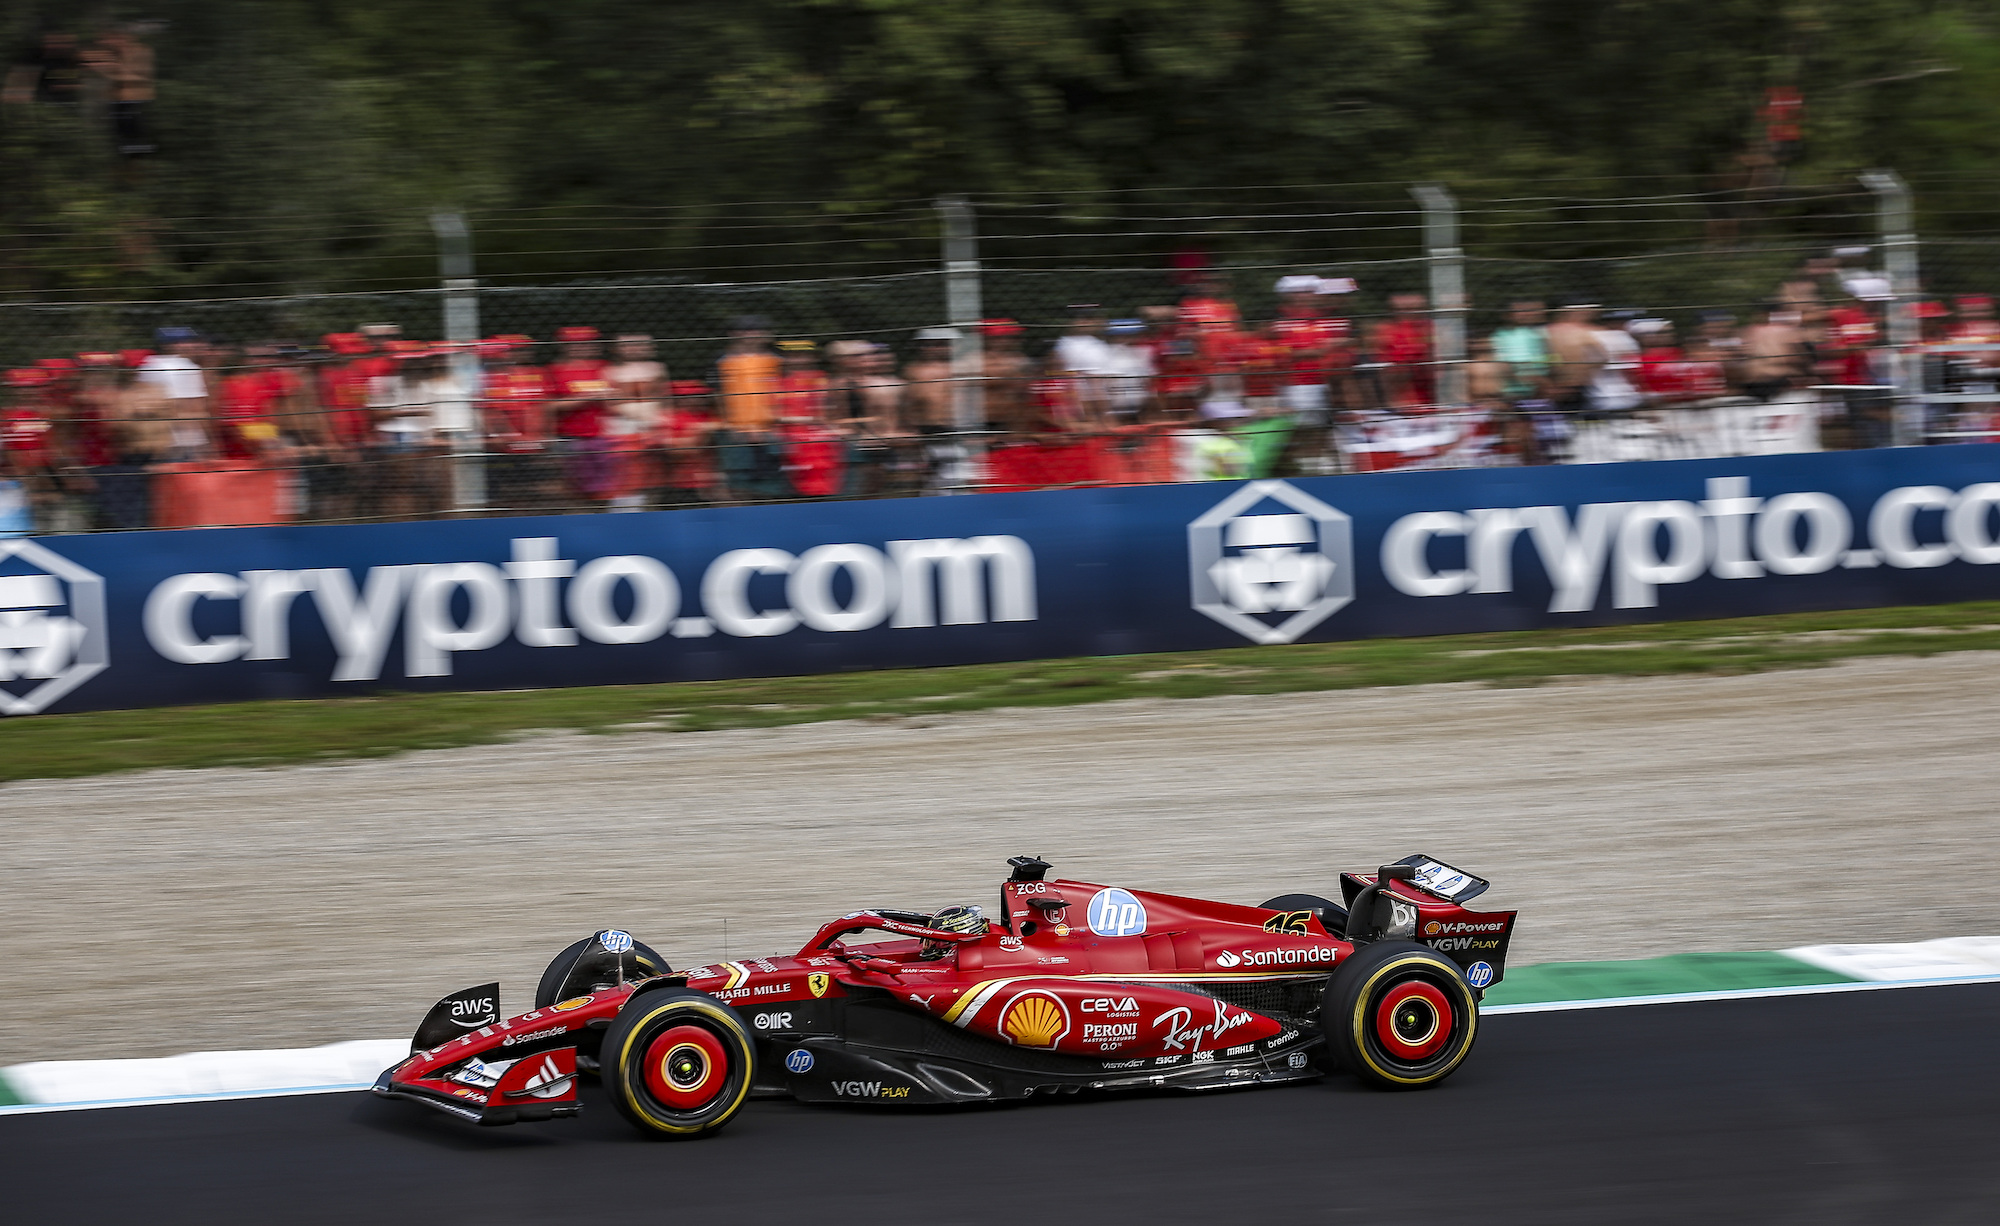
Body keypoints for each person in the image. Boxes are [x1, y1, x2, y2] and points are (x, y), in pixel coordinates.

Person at [137, 327, 213, 461]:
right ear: (171, 345)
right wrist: (209, 443)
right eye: (187, 342)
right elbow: (192, 407)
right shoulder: (186, 366)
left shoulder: (148, 364)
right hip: (185, 440)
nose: (193, 345)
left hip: (154, 438)